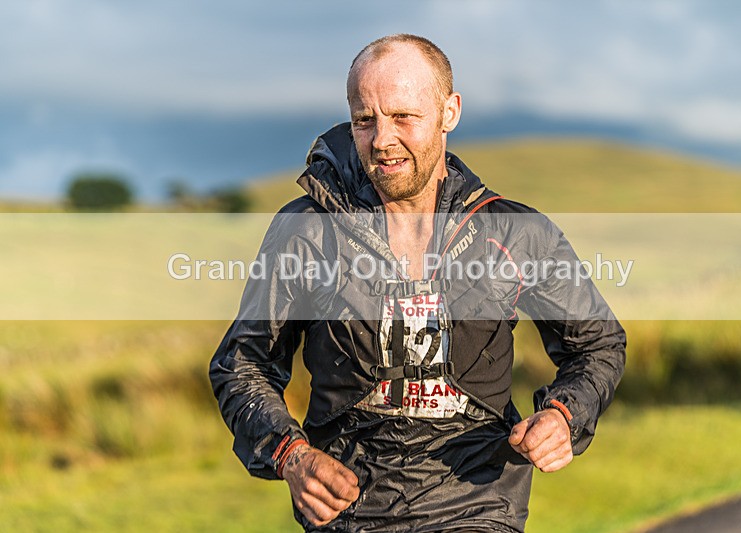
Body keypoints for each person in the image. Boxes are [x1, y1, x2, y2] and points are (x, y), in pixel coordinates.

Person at [210, 34, 626, 532]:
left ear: (449, 112)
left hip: (479, 503)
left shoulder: (516, 232)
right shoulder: (307, 231)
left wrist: (563, 414)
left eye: (403, 116)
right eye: (365, 120)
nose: (382, 139)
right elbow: (243, 363)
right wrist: (291, 455)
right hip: (350, 511)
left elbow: (598, 344)